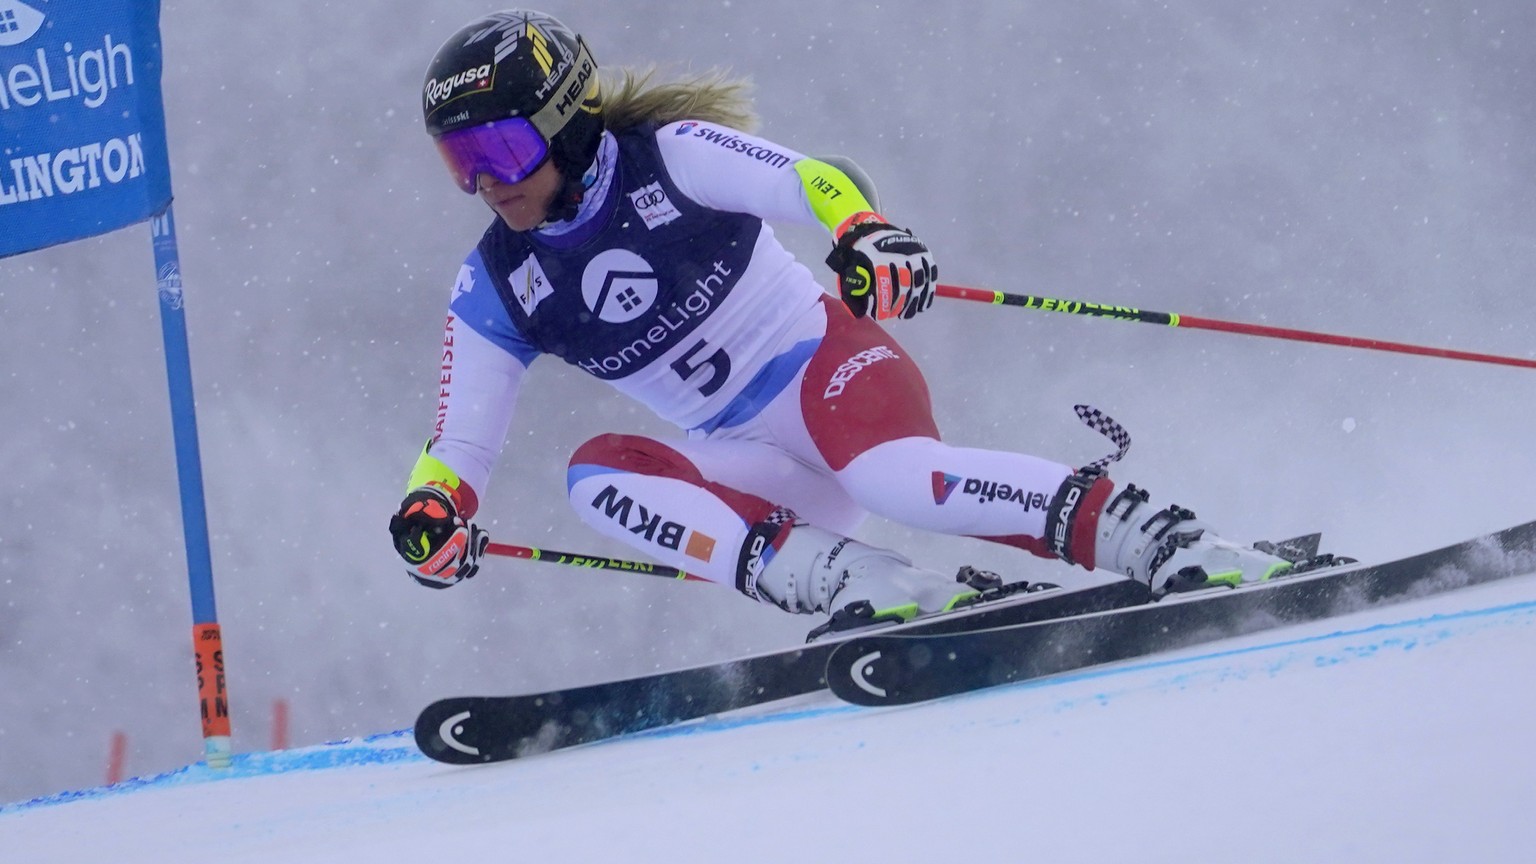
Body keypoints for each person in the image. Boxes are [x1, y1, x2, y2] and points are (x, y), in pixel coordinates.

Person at [389, 9, 1300, 634]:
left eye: (501, 147)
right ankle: (867, 583)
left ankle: (1167, 540)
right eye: (459, 161)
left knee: (901, 482)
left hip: (832, 371)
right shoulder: (498, 285)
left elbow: (814, 178)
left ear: (563, 121)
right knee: (596, 478)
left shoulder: (667, 157)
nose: (488, 182)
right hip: (761, 463)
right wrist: (436, 506)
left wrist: (867, 234)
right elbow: (459, 442)